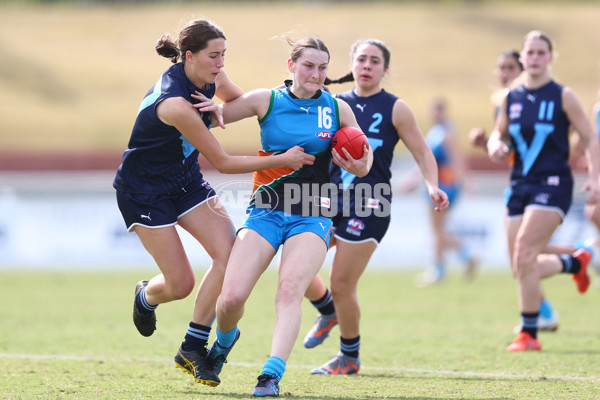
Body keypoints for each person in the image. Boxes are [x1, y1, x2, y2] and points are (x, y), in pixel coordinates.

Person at [112, 19, 314, 388]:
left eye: (224, 55)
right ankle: (146, 296)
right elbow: (222, 163)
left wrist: (219, 108)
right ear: (189, 57)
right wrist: (282, 159)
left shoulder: (212, 77)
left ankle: (192, 345)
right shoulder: (174, 104)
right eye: (214, 56)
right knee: (180, 284)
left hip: (185, 182)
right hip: (143, 191)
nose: (221, 63)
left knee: (229, 253)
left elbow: (235, 101)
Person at [202, 36, 373, 397]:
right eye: (309, 66)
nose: (316, 74)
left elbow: (364, 160)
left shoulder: (338, 108)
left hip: (314, 215)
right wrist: (205, 105)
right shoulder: (268, 99)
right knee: (231, 299)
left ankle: (270, 376)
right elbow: (216, 115)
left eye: (323, 68)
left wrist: (358, 164)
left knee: (290, 290)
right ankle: (223, 343)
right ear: (291, 66)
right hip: (265, 212)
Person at [297, 39, 449, 375]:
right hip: (327, 200)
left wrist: (432, 186)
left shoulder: (396, 108)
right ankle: (328, 311)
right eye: (361, 59)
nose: (367, 65)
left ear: (384, 69)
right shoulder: (333, 103)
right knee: (292, 269)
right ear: (351, 64)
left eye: (374, 60)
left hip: (370, 204)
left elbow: (424, 152)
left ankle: (349, 357)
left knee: (341, 283)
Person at [486, 30, 600, 352]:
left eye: (541, 53)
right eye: (530, 53)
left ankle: (529, 333)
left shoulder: (563, 96)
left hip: (553, 184)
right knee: (520, 263)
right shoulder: (511, 97)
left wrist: (596, 177)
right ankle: (575, 263)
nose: (534, 58)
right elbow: (499, 134)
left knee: (524, 252)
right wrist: (495, 145)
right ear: (522, 58)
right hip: (519, 185)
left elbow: (590, 138)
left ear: (550, 58)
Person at [405, 97, 476, 287]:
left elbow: (457, 159)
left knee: (436, 230)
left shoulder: (446, 133)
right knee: (439, 230)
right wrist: (413, 180)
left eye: (438, 110)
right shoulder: (435, 133)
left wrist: (466, 181)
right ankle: (443, 267)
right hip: (439, 184)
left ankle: (458, 259)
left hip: (444, 186)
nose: (435, 114)